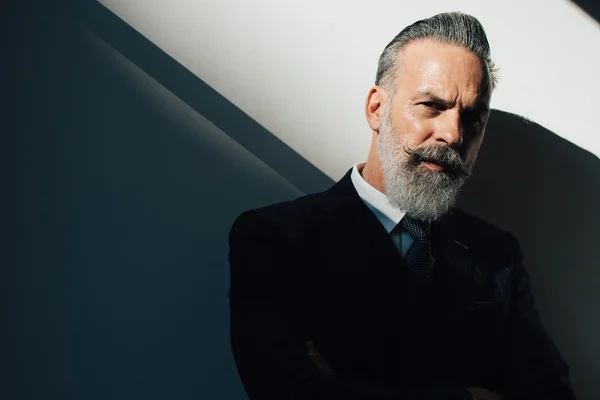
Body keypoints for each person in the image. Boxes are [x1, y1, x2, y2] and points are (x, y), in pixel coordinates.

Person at [227, 12, 576, 400]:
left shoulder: (496, 256)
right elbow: (285, 390)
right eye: (431, 105)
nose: (453, 134)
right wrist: (471, 396)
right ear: (377, 109)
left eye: (473, 118)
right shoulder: (276, 238)